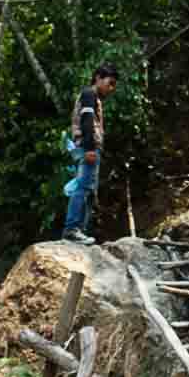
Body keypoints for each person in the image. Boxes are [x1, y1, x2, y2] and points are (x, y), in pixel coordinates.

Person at [62, 63, 120, 244]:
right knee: (82, 188)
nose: (111, 89)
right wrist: (88, 148)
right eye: (109, 83)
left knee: (87, 190)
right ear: (98, 78)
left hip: (89, 147)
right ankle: (72, 229)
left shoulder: (94, 98)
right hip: (87, 147)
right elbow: (87, 120)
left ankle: (80, 230)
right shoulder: (89, 94)